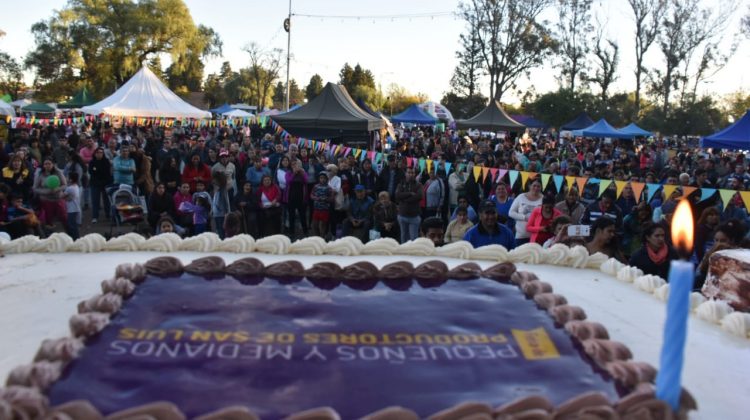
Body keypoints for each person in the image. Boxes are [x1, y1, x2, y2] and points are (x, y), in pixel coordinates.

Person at [33, 158, 67, 232]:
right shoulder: (40, 174)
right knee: (48, 219)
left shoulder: (58, 173)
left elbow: (64, 185)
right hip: (46, 200)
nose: (47, 165)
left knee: (64, 217)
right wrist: (46, 191)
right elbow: (35, 188)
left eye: (49, 164)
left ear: (53, 164)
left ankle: (69, 232)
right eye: (46, 164)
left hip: (58, 198)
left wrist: (57, 189)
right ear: (43, 165)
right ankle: (50, 235)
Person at [509, 179, 544, 246]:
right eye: (534, 185)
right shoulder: (521, 197)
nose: (536, 188)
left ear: (541, 188)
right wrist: (525, 217)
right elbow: (511, 212)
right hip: (521, 235)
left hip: (537, 235)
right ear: (529, 186)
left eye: (538, 186)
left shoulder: (543, 198)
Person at [395, 167, 424, 243]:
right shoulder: (401, 184)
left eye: (412, 173)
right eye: (409, 172)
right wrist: (410, 193)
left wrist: (404, 200)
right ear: (405, 173)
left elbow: (419, 196)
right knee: (403, 237)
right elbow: (397, 195)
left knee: (413, 239)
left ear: (415, 174)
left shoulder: (419, 185)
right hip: (402, 215)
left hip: (414, 216)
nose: (411, 174)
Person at [284, 159, 309, 239]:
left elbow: (306, 181)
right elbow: (288, 182)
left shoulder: (302, 172)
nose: (295, 166)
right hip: (291, 197)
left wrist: (302, 173)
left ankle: (305, 232)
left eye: (296, 164)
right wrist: (294, 173)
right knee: (291, 216)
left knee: (303, 216)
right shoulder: (288, 173)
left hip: (301, 198)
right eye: (293, 164)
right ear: (291, 166)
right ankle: (291, 233)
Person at [88, 147, 112, 224]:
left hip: (105, 183)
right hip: (95, 183)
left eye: (101, 152)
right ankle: (95, 217)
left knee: (106, 201)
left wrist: (97, 171)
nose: (99, 154)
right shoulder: (92, 162)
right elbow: (92, 172)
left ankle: (108, 215)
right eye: (98, 152)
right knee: (95, 201)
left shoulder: (106, 162)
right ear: (95, 154)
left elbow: (107, 173)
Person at [310, 172, 334, 239]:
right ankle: (317, 238)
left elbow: (332, 199)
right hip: (316, 209)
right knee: (315, 225)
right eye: (321, 178)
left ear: (326, 179)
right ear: (319, 179)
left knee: (323, 226)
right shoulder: (316, 186)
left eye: (324, 178)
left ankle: (322, 239)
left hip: (324, 209)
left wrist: (326, 199)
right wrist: (315, 198)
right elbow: (311, 195)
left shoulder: (329, 188)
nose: (322, 179)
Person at [63, 172, 81, 240]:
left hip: (71, 210)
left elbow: (62, 196)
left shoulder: (69, 188)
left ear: (70, 179)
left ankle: (75, 239)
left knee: (72, 226)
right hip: (76, 209)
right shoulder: (76, 187)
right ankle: (76, 238)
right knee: (74, 225)